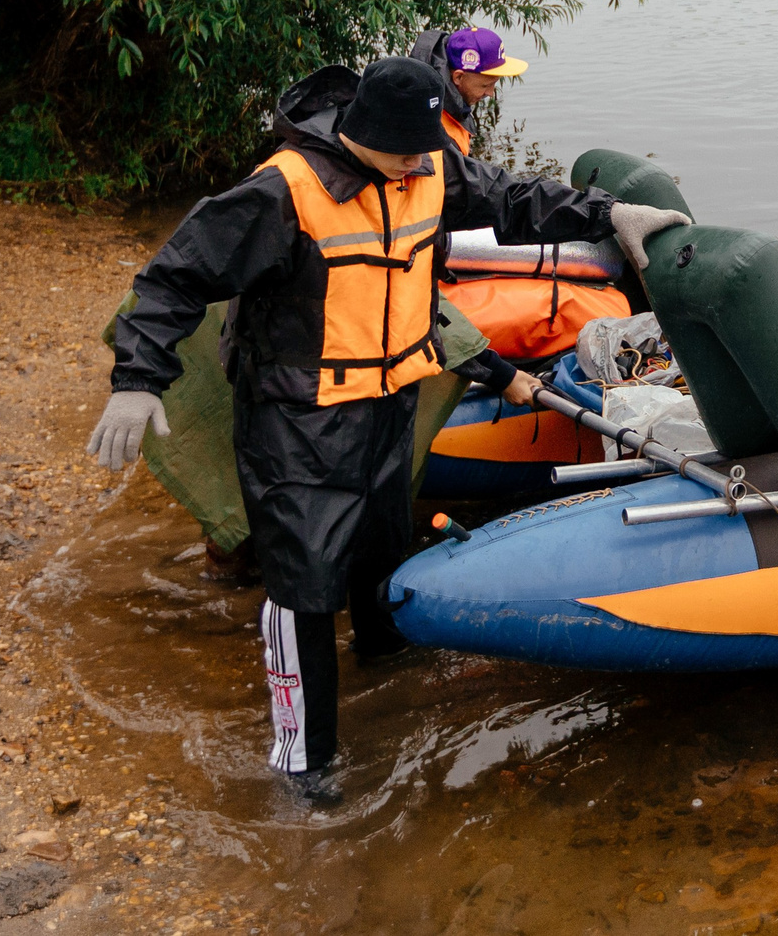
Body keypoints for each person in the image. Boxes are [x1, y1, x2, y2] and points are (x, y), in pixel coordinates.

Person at [85, 58, 686, 795]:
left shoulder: (428, 166)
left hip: (386, 407)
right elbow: (176, 275)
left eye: (424, 151)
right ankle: (304, 766)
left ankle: (382, 667)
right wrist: (138, 381)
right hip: (297, 423)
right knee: (302, 591)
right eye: (404, 152)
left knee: (378, 552)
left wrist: (608, 214)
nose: (417, 165)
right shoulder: (284, 191)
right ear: (360, 133)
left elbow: (513, 196)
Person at [405, 26, 531, 159]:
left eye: (494, 83)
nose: (490, 93)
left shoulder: (454, 106)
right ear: (458, 77)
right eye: (485, 85)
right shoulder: (432, 129)